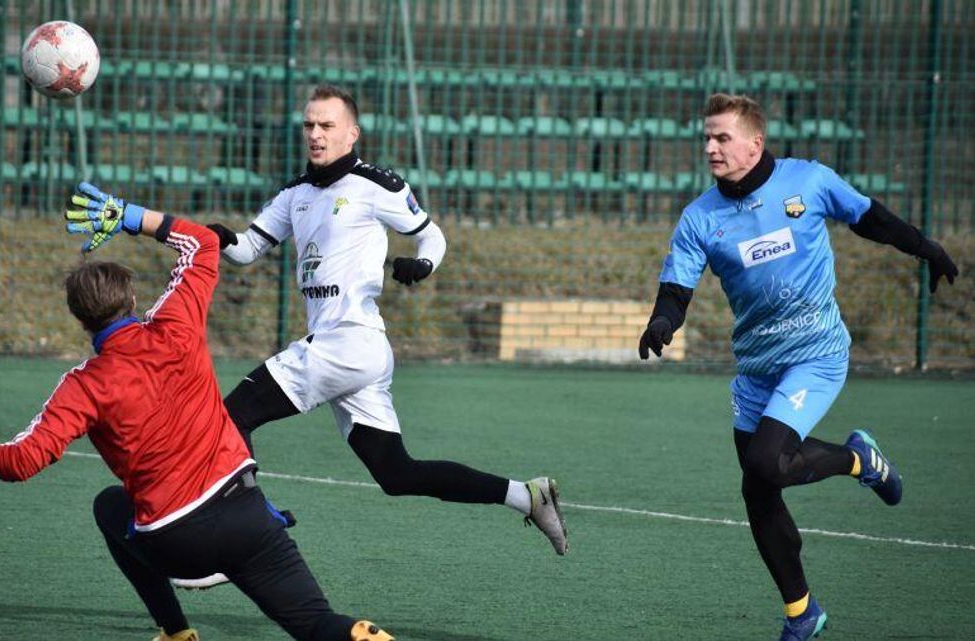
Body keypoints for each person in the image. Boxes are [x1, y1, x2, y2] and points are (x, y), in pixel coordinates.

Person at [0, 185, 395, 641]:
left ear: (81, 321)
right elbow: (204, 242)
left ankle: (175, 633)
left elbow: (24, 460)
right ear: (132, 298)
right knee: (318, 625)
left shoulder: (84, 384)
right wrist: (128, 215)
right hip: (246, 516)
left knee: (110, 507)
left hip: (176, 541)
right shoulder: (174, 325)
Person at [638, 93, 958, 641]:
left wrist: (925, 247)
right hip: (758, 367)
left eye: (722, 138)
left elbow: (869, 218)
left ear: (754, 142)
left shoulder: (807, 181)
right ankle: (802, 613)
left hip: (816, 353)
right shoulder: (699, 218)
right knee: (758, 491)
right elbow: (676, 289)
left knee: (767, 460)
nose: (711, 147)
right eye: (707, 138)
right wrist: (662, 321)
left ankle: (859, 461)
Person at [207, 84, 569, 557]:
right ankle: (527, 494)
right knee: (397, 474)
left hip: (349, 341)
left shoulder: (375, 186)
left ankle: (244, 539)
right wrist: (213, 237)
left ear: (351, 133)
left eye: (327, 126)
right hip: (350, 351)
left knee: (232, 415)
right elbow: (248, 248)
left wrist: (423, 265)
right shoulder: (294, 193)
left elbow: (432, 236)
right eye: (309, 125)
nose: (315, 134)